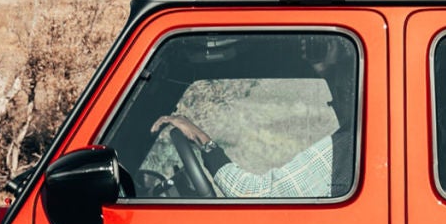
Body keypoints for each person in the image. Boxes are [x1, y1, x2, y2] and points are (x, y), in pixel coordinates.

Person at [151, 35, 355, 199]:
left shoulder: (352, 147)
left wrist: (204, 142)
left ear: (352, 93)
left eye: (339, 96)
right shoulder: (361, 147)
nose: (337, 107)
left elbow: (254, 194)